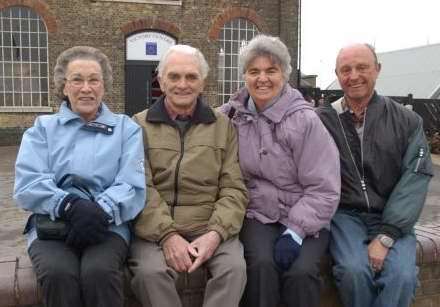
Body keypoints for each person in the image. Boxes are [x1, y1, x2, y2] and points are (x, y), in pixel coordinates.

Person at [13, 46, 146, 307]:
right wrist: (69, 206)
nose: (86, 88)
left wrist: (99, 210)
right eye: (77, 80)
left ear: (104, 86)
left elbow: (131, 183)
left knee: (100, 273)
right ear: (64, 87)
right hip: (53, 223)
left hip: (107, 224)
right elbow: (28, 182)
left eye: (94, 80)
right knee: (57, 273)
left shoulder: (126, 129)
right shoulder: (42, 129)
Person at [219, 34, 341, 307]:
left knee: (300, 273)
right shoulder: (232, 116)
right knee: (261, 266)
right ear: (245, 76)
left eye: (271, 71)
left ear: (284, 75)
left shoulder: (305, 121)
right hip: (258, 214)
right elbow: (200, 120)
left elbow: (324, 187)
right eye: (254, 71)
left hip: (307, 216)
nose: (262, 78)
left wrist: (296, 231)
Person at [129, 44, 248, 307]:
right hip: (155, 232)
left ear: (203, 82)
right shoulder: (138, 125)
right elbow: (140, 187)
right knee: (150, 274)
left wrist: (216, 233)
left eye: (191, 76)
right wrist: (167, 236)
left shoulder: (223, 126)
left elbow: (234, 188)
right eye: (174, 76)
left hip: (208, 226)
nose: (183, 84)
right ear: (161, 80)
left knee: (233, 270)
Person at [316, 43, 433, 307]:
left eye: (362, 67)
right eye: (346, 69)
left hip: (393, 216)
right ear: (337, 74)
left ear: (377, 70)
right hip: (345, 216)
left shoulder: (407, 121)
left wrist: (387, 234)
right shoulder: (321, 120)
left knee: (402, 277)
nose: (354, 75)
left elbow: (415, 177)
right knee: (352, 271)